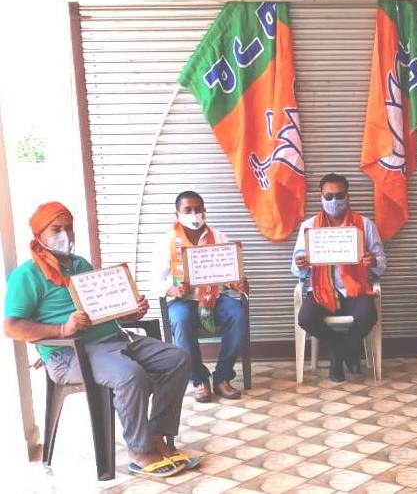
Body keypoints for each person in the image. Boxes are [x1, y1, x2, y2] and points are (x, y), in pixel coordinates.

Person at [4, 202, 193, 478]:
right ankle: (140, 451)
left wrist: (129, 312)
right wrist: (62, 329)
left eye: (69, 228)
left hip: (114, 339)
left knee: (177, 359)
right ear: (39, 234)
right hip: (69, 354)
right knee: (130, 375)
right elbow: (12, 327)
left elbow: (100, 306)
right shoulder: (27, 275)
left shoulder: (80, 264)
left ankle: (156, 435)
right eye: (56, 229)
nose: (65, 235)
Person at [153, 191, 248, 403]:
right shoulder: (166, 241)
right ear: (177, 214)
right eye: (188, 210)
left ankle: (222, 377)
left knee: (238, 314)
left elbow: (229, 274)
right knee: (181, 320)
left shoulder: (219, 237)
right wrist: (173, 290)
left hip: (215, 297)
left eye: (198, 209)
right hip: (182, 301)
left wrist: (235, 283)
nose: (194, 214)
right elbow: (155, 281)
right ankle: (199, 379)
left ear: (204, 211)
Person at [293, 173, 387, 382]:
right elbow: (296, 268)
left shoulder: (365, 224)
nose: (334, 201)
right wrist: (301, 265)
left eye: (339, 196)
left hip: (355, 289)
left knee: (367, 316)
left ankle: (337, 358)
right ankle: (344, 350)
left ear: (347, 196)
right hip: (321, 290)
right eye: (328, 196)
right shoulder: (309, 226)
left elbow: (382, 262)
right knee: (306, 318)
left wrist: (373, 262)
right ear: (320, 197)